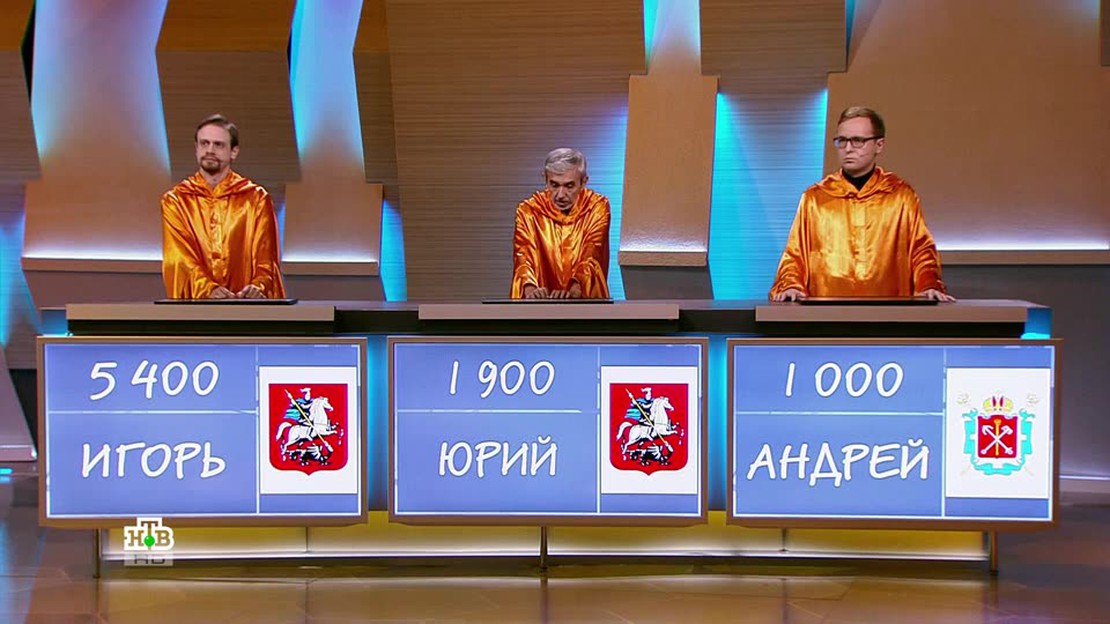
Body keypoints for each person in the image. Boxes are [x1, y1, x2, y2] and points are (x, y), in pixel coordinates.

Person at [769, 107, 953, 302]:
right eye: (842, 141)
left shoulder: (900, 196)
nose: (848, 149)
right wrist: (791, 285)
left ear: (879, 145)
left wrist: (928, 285)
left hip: (888, 313)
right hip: (827, 313)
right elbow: (795, 255)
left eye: (857, 141)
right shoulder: (815, 198)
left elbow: (921, 251)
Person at [161, 114, 285, 299]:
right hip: (197, 306)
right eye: (204, 143)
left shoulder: (256, 198)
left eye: (218, 145)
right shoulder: (177, 200)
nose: (210, 150)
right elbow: (180, 258)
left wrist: (257, 287)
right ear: (196, 148)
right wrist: (208, 289)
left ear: (234, 152)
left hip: (247, 307)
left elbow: (266, 258)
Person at [510, 148, 610, 299]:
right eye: (554, 185)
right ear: (545, 179)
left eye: (569, 186)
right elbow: (523, 254)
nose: (560, 195)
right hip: (538, 307)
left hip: (584, 305)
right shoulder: (529, 210)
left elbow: (592, 252)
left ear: (584, 182)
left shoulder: (596, 207)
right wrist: (530, 290)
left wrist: (575, 289)